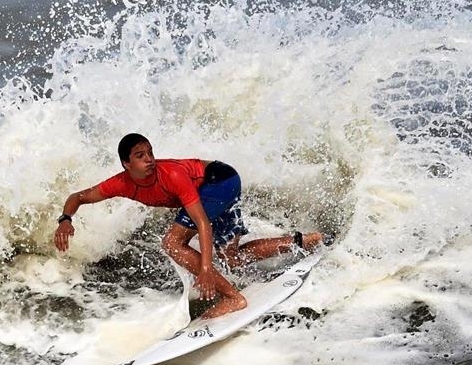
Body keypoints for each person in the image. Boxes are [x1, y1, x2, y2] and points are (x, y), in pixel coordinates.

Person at [53, 133, 325, 319]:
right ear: (126, 164)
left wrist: (206, 269)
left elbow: (202, 224)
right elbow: (78, 197)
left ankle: (233, 297)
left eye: (150, 152)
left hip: (219, 181)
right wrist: (66, 219)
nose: (149, 159)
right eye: (140, 155)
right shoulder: (119, 184)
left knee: (172, 242)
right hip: (221, 181)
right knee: (233, 258)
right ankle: (304, 241)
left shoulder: (170, 175)